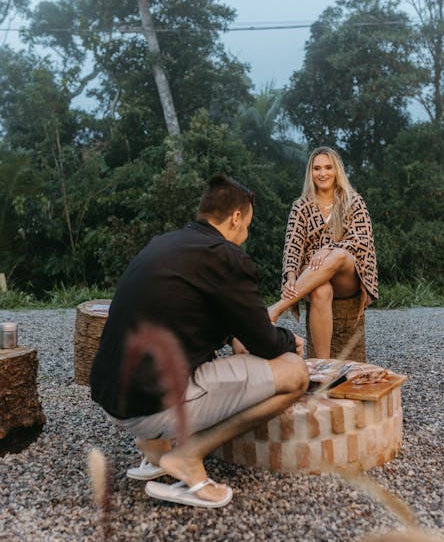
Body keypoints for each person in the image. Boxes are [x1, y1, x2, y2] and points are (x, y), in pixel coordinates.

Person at [90, 173, 308, 508]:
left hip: (112, 396)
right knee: (295, 374)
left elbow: (190, 315)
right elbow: (266, 343)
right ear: (236, 217)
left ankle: (153, 449)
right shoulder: (225, 255)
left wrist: (238, 335)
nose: (246, 234)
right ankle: (188, 457)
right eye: (248, 225)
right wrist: (289, 340)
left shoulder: (165, 244)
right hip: (148, 405)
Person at [269, 146, 378, 358]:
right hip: (313, 275)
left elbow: (362, 241)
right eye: (317, 168)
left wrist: (330, 248)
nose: (322, 173)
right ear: (310, 173)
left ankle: (277, 309)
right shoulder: (301, 206)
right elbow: (292, 246)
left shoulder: (353, 202)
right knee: (320, 290)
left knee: (336, 256)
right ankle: (323, 365)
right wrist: (291, 277)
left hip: (347, 277)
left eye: (328, 167)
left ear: (337, 170)